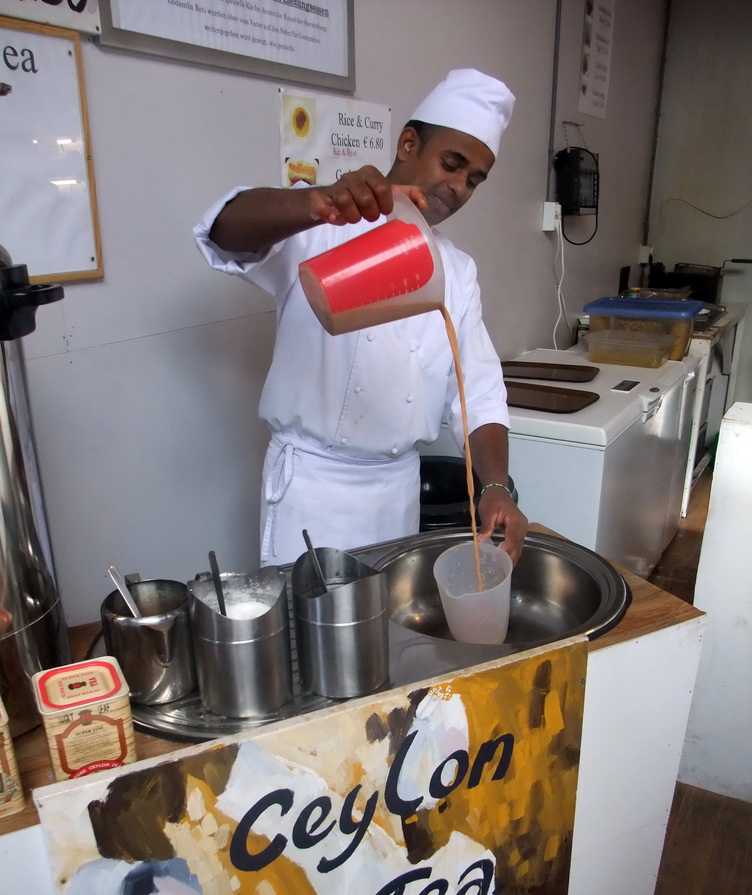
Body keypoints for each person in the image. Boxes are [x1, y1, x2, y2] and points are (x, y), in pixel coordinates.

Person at [193, 68, 528, 568]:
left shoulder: (456, 272)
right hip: (312, 491)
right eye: (452, 163)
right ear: (409, 143)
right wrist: (318, 202)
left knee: (383, 635)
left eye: (473, 180)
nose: (458, 187)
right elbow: (222, 229)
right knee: (301, 637)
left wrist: (497, 485)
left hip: (397, 495)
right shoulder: (327, 226)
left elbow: (477, 394)